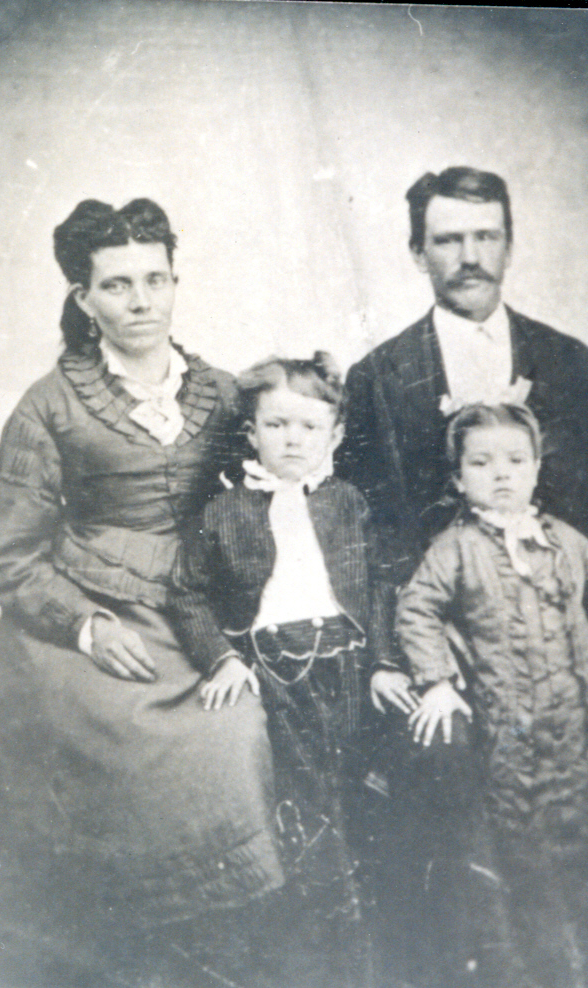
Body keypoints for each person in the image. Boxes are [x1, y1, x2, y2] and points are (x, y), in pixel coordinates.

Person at [0, 198, 283, 988]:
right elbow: (11, 563)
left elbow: (285, 480)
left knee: (233, 735)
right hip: (88, 614)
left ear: (176, 283)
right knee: (120, 748)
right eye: (117, 285)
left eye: (155, 279)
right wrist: (87, 626)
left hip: (195, 609)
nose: (141, 301)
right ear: (84, 299)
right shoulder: (48, 406)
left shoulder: (223, 393)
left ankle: (220, 959)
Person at [170, 353, 394, 988]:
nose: (292, 440)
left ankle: (370, 948)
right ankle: (319, 953)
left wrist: (384, 663)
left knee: (360, 795)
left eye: (308, 427)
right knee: (304, 806)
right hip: (276, 672)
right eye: (276, 425)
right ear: (251, 433)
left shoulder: (349, 502)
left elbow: (379, 585)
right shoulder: (225, 511)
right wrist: (221, 658)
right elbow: (186, 592)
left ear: (336, 435)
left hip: (348, 667)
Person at [394, 403, 588, 988]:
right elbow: (417, 610)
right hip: (506, 724)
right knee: (521, 843)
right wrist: (436, 681)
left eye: (515, 460)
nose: (501, 473)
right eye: (481, 463)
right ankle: (541, 965)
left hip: (573, 718)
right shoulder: (454, 547)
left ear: (536, 469)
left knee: (577, 827)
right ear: (458, 479)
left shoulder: (568, 541)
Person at [339, 166, 588, 589]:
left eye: (486, 237)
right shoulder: (375, 378)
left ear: (509, 248)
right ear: (418, 254)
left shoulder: (570, 361)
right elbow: (366, 525)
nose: (470, 258)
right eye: (449, 240)